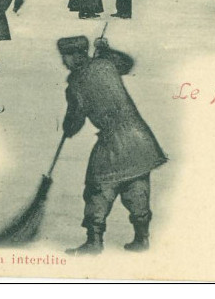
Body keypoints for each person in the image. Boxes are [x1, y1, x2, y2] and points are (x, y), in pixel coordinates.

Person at [59, 35, 167, 255]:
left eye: (66, 57)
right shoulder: (106, 64)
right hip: (140, 140)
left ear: (76, 56)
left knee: (98, 189)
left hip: (113, 143)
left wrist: (67, 126)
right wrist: (107, 52)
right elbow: (127, 64)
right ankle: (142, 238)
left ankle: (94, 242)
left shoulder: (76, 84)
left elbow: (74, 125)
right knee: (137, 188)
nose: (63, 62)